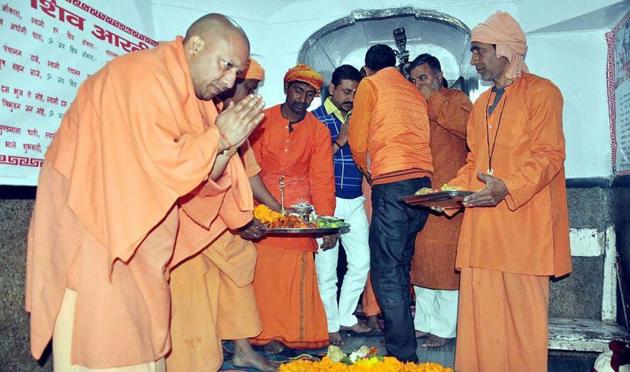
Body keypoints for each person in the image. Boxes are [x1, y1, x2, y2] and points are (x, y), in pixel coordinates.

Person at [25, 13, 265, 370]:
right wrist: (220, 138)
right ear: (195, 45)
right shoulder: (139, 75)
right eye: (226, 65)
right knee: (106, 350)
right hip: (98, 245)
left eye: (238, 73)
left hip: (147, 252)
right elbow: (161, 163)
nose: (230, 81)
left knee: (146, 352)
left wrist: (226, 146)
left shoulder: (196, 101)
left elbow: (196, 180)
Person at [443, 12, 571, 371]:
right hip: (482, 233)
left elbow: (550, 155)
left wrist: (507, 187)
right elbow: (474, 164)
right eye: (473, 51)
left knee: (520, 331)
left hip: (523, 231)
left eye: (479, 51)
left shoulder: (543, 92)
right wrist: (449, 193)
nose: (474, 60)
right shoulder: (481, 104)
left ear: (505, 51)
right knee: (479, 327)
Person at [166, 59, 278, 372]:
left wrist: (277, 211)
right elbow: (198, 179)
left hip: (226, 223)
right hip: (196, 225)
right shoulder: (196, 114)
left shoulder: (232, 121)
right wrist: (239, 220)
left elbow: (249, 175)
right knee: (194, 298)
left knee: (237, 276)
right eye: (250, 89)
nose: (252, 98)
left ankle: (241, 350)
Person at [348, 44, 433, 363]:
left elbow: (358, 139)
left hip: (392, 181)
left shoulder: (371, 85)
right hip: (422, 183)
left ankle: (402, 357)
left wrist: (367, 171)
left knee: (386, 270)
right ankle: (405, 347)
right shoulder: (412, 90)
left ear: (368, 69)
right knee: (400, 265)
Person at [249, 64, 337, 354]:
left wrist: (325, 223)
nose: (302, 99)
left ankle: (294, 336)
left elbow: (322, 179)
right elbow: (249, 168)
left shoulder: (319, 131)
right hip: (261, 204)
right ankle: (265, 335)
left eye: (309, 94)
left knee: (295, 275)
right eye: (298, 91)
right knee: (264, 276)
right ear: (287, 88)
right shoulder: (262, 120)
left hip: (300, 210)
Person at [407, 53, 472, 348]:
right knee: (421, 262)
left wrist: (434, 99)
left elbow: (467, 129)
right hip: (423, 194)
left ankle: (445, 329)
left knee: (445, 263)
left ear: (438, 75)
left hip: (451, 193)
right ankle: (422, 323)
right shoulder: (416, 107)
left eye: (423, 77)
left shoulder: (456, 98)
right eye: (413, 80)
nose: (418, 84)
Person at [311, 64, 371, 346]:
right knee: (327, 269)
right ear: (331, 89)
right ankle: (330, 324)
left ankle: (346, 315)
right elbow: (311, 163)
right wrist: (341, 138)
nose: (351, 98)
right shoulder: (315, 120)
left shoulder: (359, 117)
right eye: (346, 91)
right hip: (327, 201)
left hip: (355, 199)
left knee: (361, 262)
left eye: (355, 93)